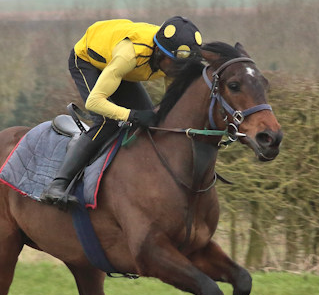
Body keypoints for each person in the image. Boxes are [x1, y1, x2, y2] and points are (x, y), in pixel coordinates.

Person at [40, 15, 203, 207]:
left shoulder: (171, 61)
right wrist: (130, 115)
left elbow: (171, 106)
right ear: (160, 52)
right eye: (176, 64)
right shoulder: (130, 55)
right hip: (88, 61)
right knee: (106, 121)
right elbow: (94, 102)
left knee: (151, 121)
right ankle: (58, 184)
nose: (180, 70)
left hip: (119, 67)